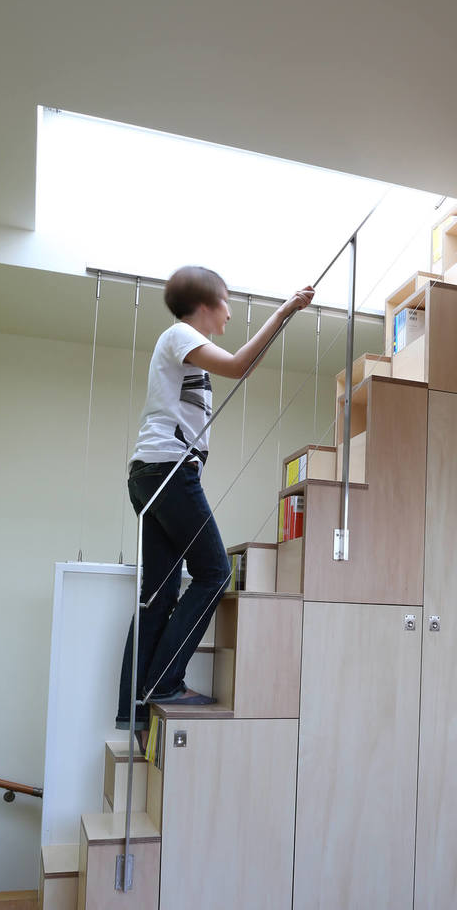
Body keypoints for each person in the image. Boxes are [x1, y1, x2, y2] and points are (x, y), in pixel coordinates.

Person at [116, 265, 314, 750]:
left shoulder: (185, 346)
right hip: (168, 470)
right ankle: (164, 682)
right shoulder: (181, 334)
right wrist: (285, 311)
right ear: (205, 305)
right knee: (214, 572)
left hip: (153, 472)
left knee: (159, 594)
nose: (229, 311)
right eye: (226, 301)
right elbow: (240, 365)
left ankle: (135, 711)